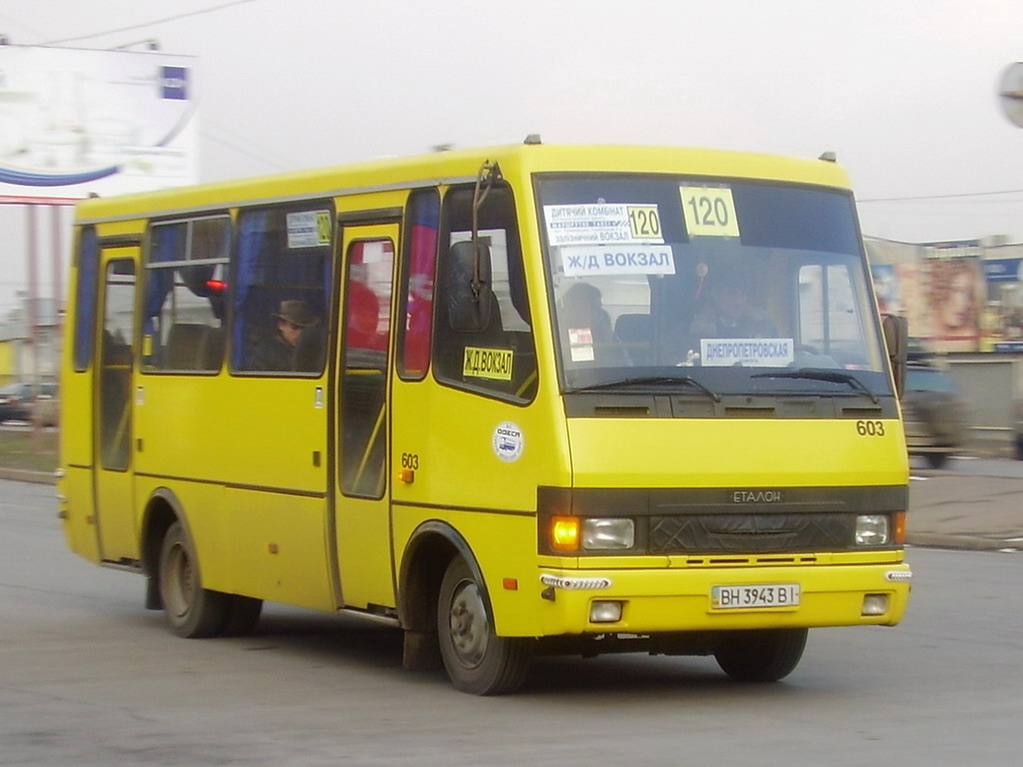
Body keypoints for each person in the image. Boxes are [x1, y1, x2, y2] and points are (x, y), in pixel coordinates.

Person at [249, 299, 321, 371]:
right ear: (281, 325)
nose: (300, 333)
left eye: (304, 329)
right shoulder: (265, 351)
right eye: (294, 327)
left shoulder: (313, 351)